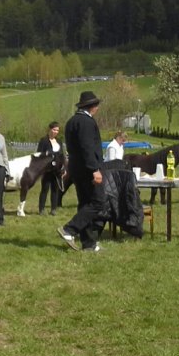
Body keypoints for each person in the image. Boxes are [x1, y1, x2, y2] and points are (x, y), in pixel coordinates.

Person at [57, 91, 105, 252]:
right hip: (87, 169)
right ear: (92, 106)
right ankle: (69, 229)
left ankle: (89, 243)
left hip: (76, 168)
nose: (97, 108)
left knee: (85, 203)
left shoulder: (72, 121)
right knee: (98, 202)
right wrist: (95, 170)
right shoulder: (86, 122)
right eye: (96, 105)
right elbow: (87, 147)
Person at [37, 121, 64, 216]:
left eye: (57, 130)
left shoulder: (59, 141)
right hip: (46, 170)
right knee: (45, 189)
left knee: (55, 189)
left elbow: (62, 156)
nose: (56, 132)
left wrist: (63, 168)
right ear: (50, 129)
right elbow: (39, 155)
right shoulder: (43, 141)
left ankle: (53, 209)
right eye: (54, 129)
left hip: (57, 170)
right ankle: (41, 209)